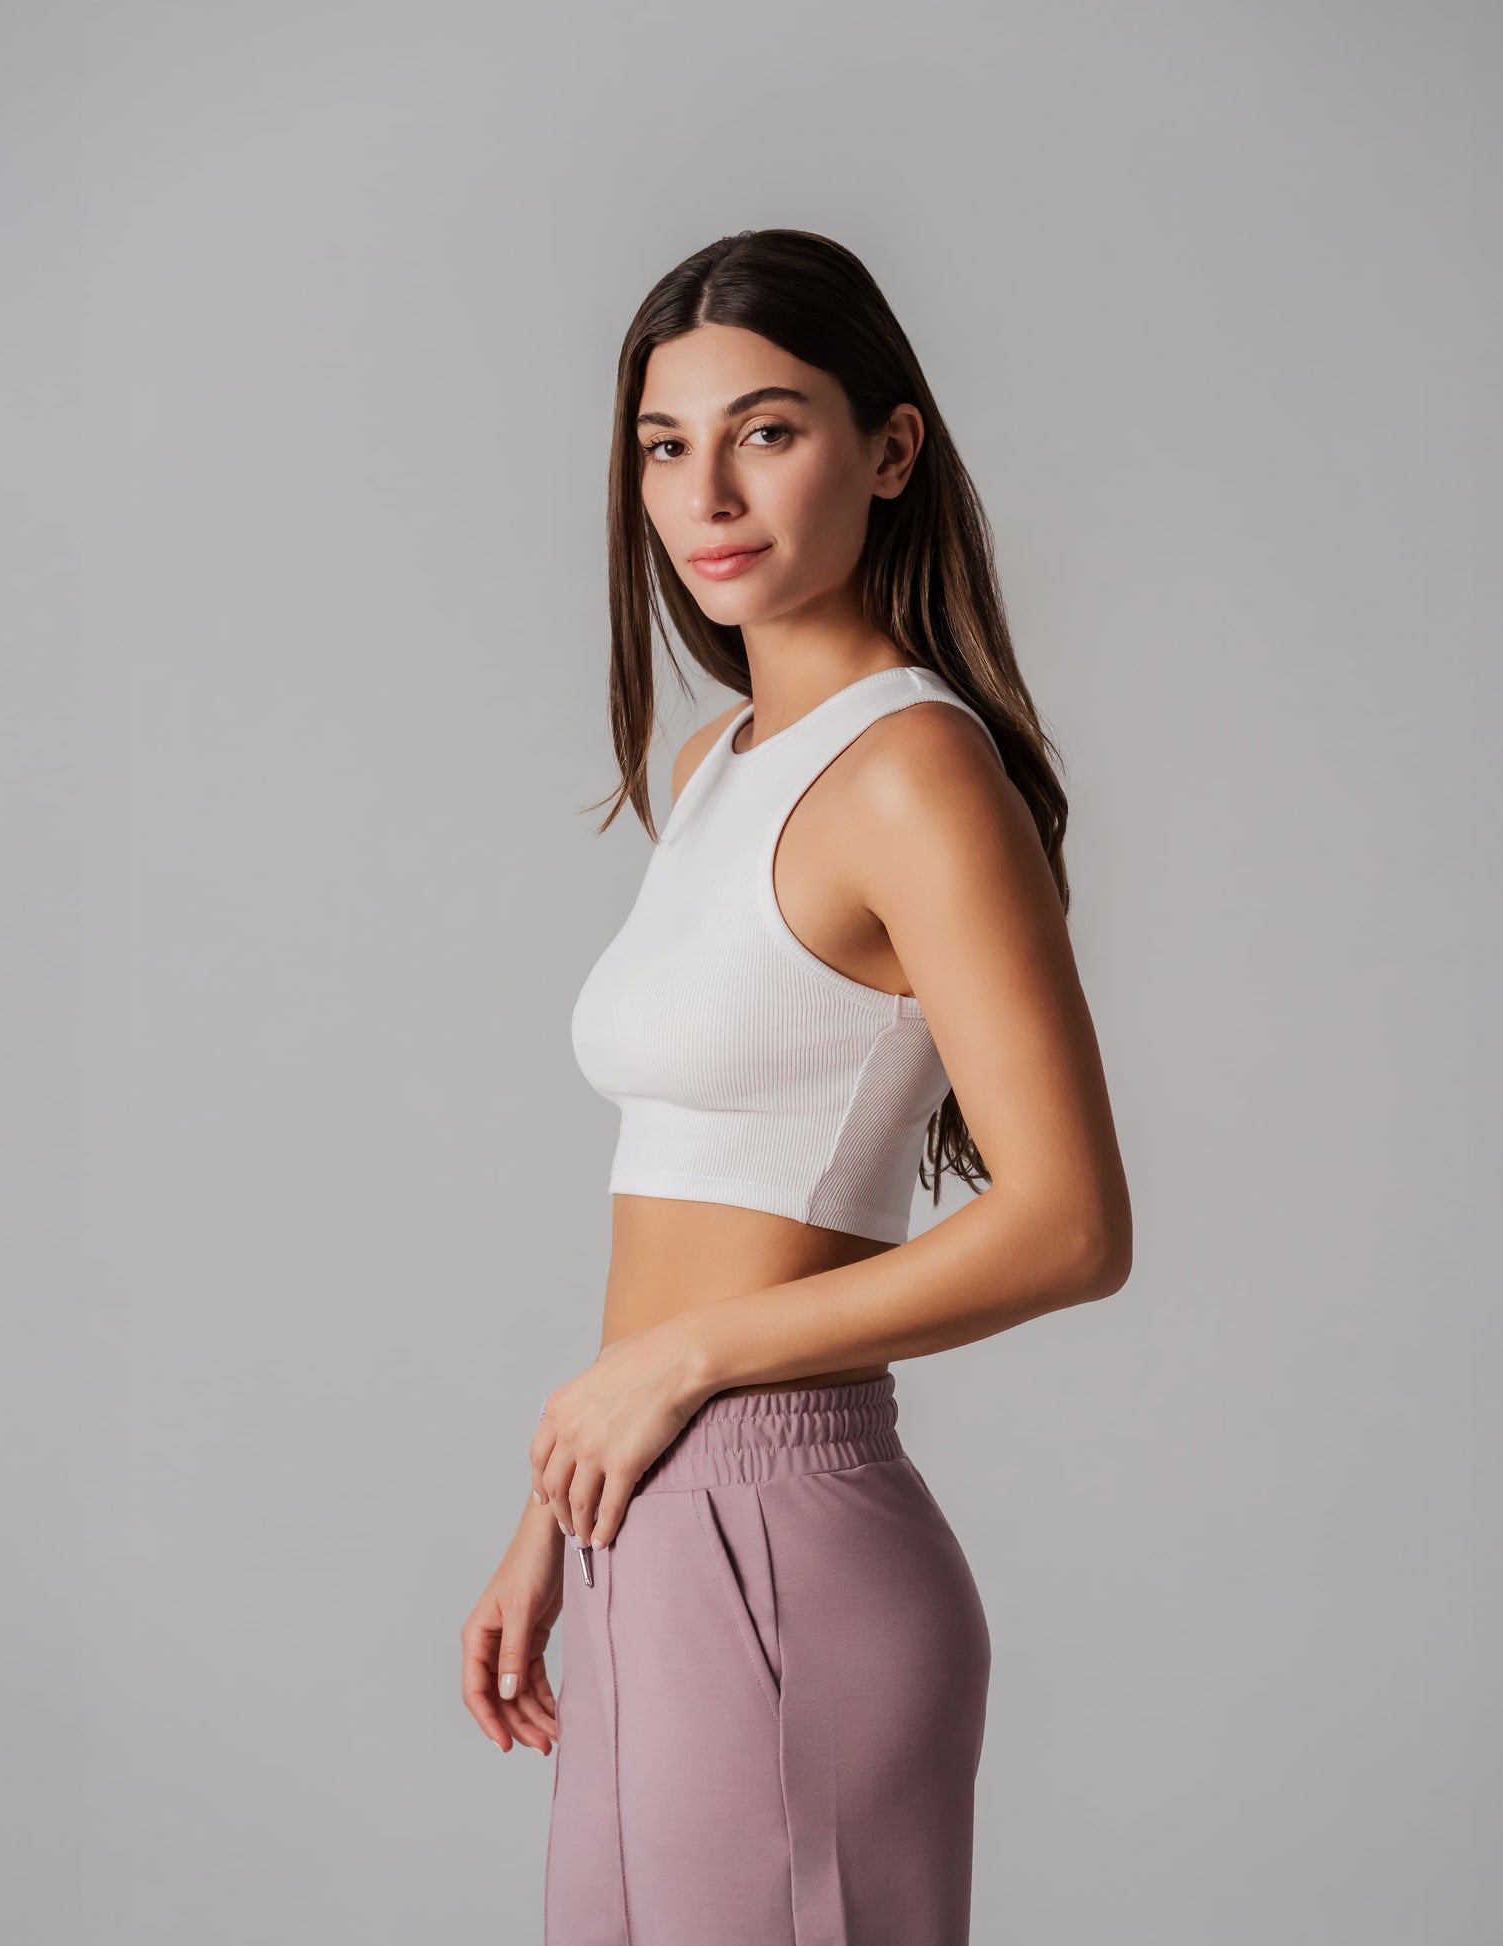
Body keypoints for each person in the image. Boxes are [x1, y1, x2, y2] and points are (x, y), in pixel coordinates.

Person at [461, 227, 1132, 1946]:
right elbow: (689, 1169)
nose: (709, 493)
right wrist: (555, 1509)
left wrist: (677, 1367)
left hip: (779, 1526)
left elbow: (1067, 1225)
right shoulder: (714, 768)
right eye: (665, 448)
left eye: (767, 429)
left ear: (887, 450)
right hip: (643, 1517)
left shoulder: (912, 768)